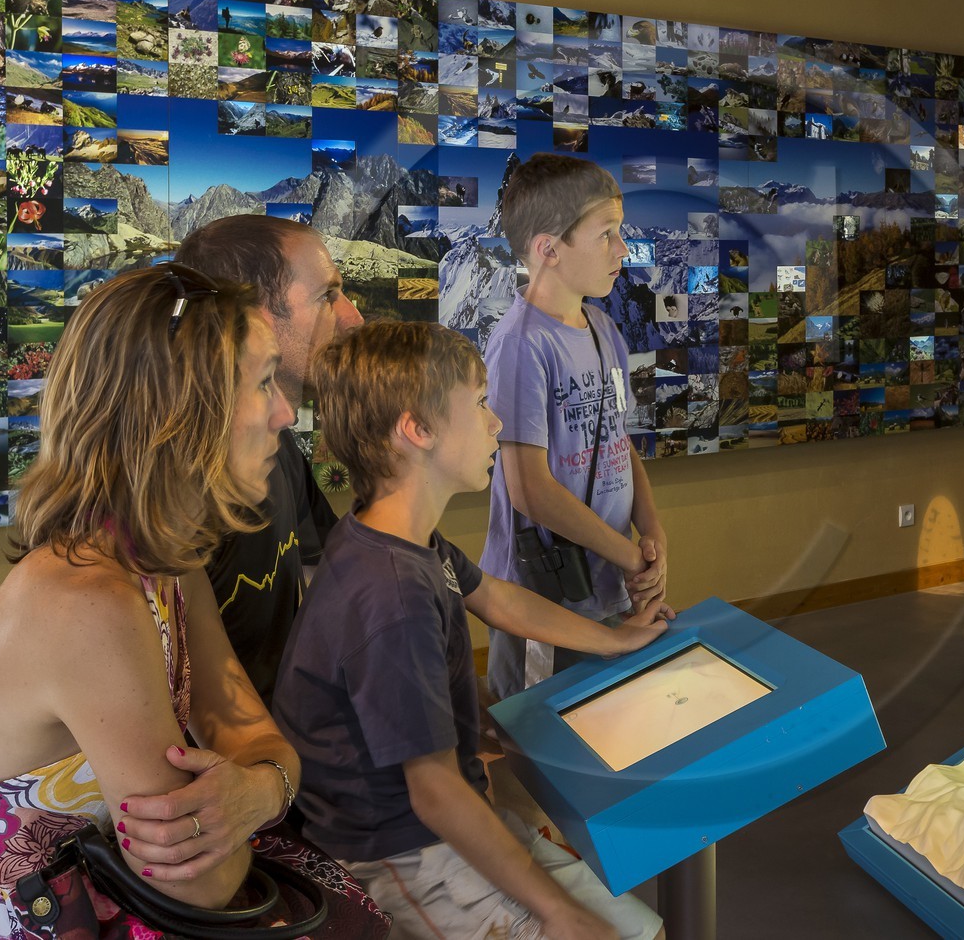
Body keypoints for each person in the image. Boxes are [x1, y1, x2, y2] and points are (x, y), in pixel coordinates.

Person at [0, 265, 304, 934]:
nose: (286, 413)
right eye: (265, 382)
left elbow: (248, 732)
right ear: (181, 409)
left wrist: (261, 789)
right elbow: (202, 884)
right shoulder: (89, 604)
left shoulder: (163, 558)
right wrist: (256, 791)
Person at [273, 319, 669, 940]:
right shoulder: (393, 594)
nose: (496, 424)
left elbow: (498, 599)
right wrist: (558, 913)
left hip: (439, 815)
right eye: (481, 404)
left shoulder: (397, 539)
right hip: (403, 846)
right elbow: (433, 792)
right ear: (418, 429)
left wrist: (617, 637)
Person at [480, 154, 668, 699]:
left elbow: (618, 439)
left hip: (606, 581)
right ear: (549, 249)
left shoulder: (602, 326)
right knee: (541, 733)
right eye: (606, 233)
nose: (623, 248)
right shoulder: (520, 344)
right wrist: (631, 554)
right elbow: (529, 490)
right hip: (543, 592)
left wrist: (653, 536)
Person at [173, 214, 364, 705]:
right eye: (327, 296)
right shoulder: (175, 504)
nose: (351, 317)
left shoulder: (275, 455)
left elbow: (325, 576)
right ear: (253, 313)